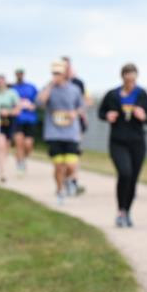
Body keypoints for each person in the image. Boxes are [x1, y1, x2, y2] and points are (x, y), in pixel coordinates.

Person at [98, 63, 147, 227]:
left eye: (133, 80)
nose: (131, 83)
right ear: (122, 78)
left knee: (133, 178)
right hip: (118, 141)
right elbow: (101, 112)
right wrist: (108, 115)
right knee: (125, 173)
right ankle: (120, 210)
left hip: (137, 142)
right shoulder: (112, 95)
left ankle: (127, 211)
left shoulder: (142, 95)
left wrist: (143, 116)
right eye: (128, 79)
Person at [38, 60, 84, 205]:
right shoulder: (48, 88)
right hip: (54, 133)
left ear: (65, 73)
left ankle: (68, 180)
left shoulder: (74, 89)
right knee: (58, 166)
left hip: (70, 133)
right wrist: (50, 86)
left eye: (59, 73)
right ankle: (60, 191)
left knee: (70, 165)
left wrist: (74, 113)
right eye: (54, 73)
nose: (56, 75)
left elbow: (82, 107)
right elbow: (39, 103)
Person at [61, 55, 88, 196]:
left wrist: (81, 116)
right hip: (59, 127)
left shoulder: (78, 83)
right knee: (63, 156)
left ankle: (73, 180)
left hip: (76, 124)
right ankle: (66, 179)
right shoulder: (54, 84)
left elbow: (83, 103)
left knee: (74, 153)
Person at [0, 74, 20, 183]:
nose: (0, 84)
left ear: (5, 82)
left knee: (6, 147)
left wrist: (8, 112)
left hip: (9, 122)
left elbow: (18, 109)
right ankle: (2, 172)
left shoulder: (12, 93)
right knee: (0, 146)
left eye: (2, 81)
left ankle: (3, 167)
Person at [10, 68, 38, 174]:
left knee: (28, 145)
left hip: (30, 119)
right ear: (15, 75)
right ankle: (20, 164)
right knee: (19, 143)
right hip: (17, 119)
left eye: (21, 73)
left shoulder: (31, 87)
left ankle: (22, 158)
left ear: (23, 74)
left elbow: (38, 100)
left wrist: (34, 105)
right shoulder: (12, 88)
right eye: (17, 74)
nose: (19, 75)